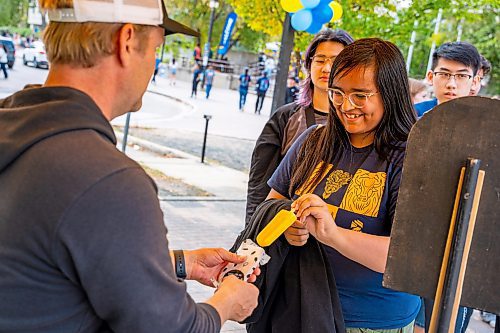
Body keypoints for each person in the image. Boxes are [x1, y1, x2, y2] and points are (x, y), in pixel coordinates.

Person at [0, 0, 260, 332]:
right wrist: (226, 303)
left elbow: (47, 264)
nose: (153, 64)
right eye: (156, 50)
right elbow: (171, 328)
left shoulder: (15, 128)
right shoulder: (107, 180)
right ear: (126, 41)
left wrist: (179, 263)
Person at [267, 38, 420, 332]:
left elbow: (404, 257)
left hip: (371, 321)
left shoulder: (411, 157)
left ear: (391, 94)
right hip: (300, 306)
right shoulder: (313, 140)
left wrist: (333, 234)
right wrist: (287, 224)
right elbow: (271, 203)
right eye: (337, 93)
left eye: (360, 96)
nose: (345, 106)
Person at [245, 29, 354, 224]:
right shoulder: (286, 117)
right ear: (309, 64)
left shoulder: (358, 122)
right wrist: (253, 230)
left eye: (336, 60)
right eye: (320, 60)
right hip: (286, 228)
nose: (327, 68)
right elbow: (259, 183)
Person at [414, 41, 481, 117]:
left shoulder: (487, 122)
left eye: (462, 76)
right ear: (430, 77)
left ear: (474, 82)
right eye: (444, 74)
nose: (451, 84)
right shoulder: (412, 115)